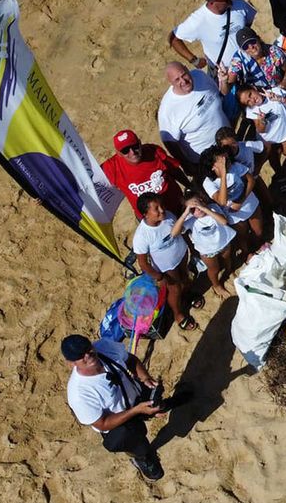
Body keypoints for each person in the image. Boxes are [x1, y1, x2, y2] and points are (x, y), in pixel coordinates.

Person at [62, 334, 166, 481]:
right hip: (120, 422)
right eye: (81, 356)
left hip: (135, 396)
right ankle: (141, 458)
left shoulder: (104, 347)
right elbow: (102, 423)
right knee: (139, 445)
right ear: (71, 363)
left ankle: (155, 410)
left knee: (161, 404)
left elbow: (130, 360)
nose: (88, 355)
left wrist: (145, 378)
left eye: (88, 349)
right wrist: (136, 410)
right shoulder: (79, 393)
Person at [130, 194, 199, 333]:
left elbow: (180, 231)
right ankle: (178, 314)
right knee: (175, 289)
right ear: (145, 214)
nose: (162, 210)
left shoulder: (169, 216)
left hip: (181, 255)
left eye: (161, 205)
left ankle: (188, 294)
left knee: (185, 277)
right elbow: (143, 263)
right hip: (166, 268)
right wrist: (160, 277)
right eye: (156, 208)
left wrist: (191, 248)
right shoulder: (142, 236)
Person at [169, 0, 257, 74]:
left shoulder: (240, 4)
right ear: (211, 2)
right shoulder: (198, 21)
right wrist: (194, 60)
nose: (231, 1)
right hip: (224, 74)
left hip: (252, 65)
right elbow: (174, 39)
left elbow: (248, 23)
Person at [101, 130, 189, 218]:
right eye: (125, 150)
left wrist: (189, 186)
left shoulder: (154, 152)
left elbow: (174, 170)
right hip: (149, 219)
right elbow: (94, 181)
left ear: (140, 143)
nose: (132, 152)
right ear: (119, 153)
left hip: (177, 208)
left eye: (135, 146)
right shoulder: (111, 167)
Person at [158, 61, 229, 168]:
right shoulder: (167, 110)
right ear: (170, 82)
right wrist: (186, 165)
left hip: (229, 142)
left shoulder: (200, 76)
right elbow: (170, 142)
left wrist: (224, 81)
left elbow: (220, 95)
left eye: (184, 75)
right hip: (208, 160)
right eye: (177, 79)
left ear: (187, 69)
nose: (183, 81)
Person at [238, 82, 286, 181]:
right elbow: (260, 130)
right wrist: (262, 121)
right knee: (273, 164)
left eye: (250, 94)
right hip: (267, 141)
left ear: (253, 88)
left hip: (284, 136)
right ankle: (282, 179)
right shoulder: (251, 110)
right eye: (248, 102)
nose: (252, 100)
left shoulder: (275, 91)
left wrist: (280, 99)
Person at [199, 143, 265, 249]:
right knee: (242, 238)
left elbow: (251, 180)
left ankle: (257, 247)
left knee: (258, 232)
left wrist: (240, 201)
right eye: (222, 161)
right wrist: (223, 175)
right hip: (232, 213)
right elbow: (222, 201)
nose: (227, 161)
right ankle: (247, 253)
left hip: (248, 202)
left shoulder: (235, 166)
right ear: (213, 167)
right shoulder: (208, 183)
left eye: (227, 158)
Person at [179, 196, 236, 298]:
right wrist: (185, 214)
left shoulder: (213, 208)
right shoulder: (190, 219)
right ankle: (216, 285)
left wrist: (206, 209)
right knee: (214, 269)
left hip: (223, 242)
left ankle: (229, 271)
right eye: (193, 209)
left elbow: (224, 221)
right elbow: (177, 232)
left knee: (227, 259)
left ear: (203, 202)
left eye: (198, 205)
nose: (197, 209)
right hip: (207, 251)